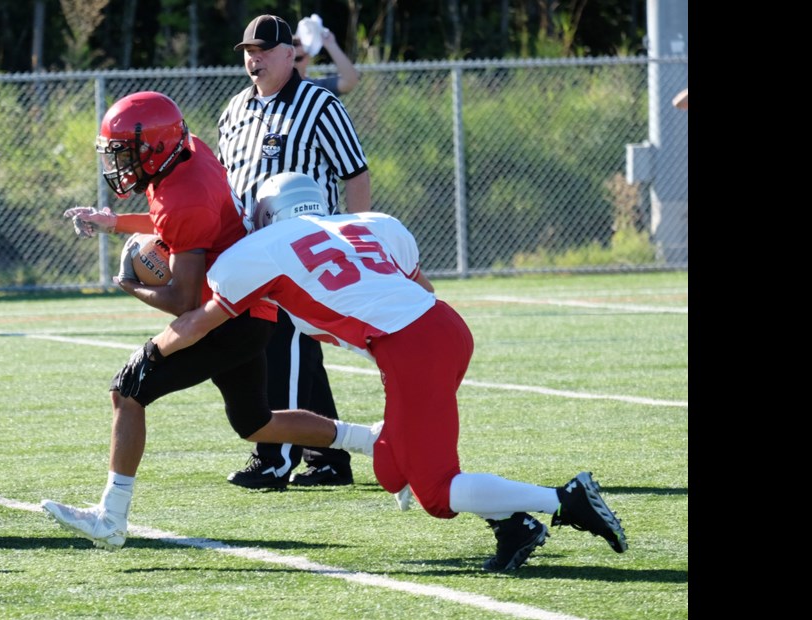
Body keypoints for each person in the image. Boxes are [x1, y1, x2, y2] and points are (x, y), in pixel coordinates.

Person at [133, 172, 629, 572]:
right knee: (392, 468)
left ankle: (564, 500)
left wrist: (154, 350)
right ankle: (516, 526)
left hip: (410, 349)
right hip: (444, 329)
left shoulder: (258, 250)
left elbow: (199, 320)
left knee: (436, 492)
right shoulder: (373, 223)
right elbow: (424, 291)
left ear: (266, 215)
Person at [40, 91, 382, 550]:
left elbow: (183, 298)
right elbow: (172, 222)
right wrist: (115, 222)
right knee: (256, 422)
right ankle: (370, 440)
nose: (118, 163)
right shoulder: (189, 152)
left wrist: (131, 284)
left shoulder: (185, 196)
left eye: (126, 153)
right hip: (246, 310)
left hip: (222, 316)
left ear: (155, 148)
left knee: (127, 391)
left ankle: (111, 517)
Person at [218, 14, 373, 491]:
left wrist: (357, 236)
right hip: (250, 251)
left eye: (264, 50)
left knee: (282, 345)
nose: (254, 58)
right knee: (299, 350)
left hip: (301, 250)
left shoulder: (318, 103)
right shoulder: (235, 109)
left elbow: (356, 173)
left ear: (291, 53)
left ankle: (275, 457)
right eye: (248, 50)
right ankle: (327, 457)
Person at [292, 29, 359, 97]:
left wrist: (331, 44)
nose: (292, 63)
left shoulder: (318, 87)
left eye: (297, 58)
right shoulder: (280, 88)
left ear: (308, 57)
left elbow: (349, 81)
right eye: (288, 58)